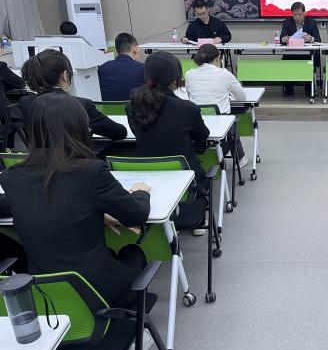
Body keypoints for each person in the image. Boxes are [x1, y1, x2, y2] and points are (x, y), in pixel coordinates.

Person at [0, 92, 152, 307]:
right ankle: (131, 319)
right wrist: (141, 192)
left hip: (46, 291)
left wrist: (94, 213)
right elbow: (136, 215)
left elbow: (41, 203)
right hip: (96, 288)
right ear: (79, 127)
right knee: (133, 252)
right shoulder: (92, 171)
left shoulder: (11, 177)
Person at [128, 51, 210, 186]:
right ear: (175, 78)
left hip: (147, 178)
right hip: (186, 181)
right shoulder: (188, 108)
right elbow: (202, 137)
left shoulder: (132, 105)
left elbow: (137, 132)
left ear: (147, 75)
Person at [20, 49, 127, 141]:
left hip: (39, 158)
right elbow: (119, 132)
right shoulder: (81, 104)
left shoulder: (25, 103)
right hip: (76, 158)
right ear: (65, 75)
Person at [185, 43, 248, 168]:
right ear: (217, 59)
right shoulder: (224, 74)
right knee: (232, 122)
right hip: (222, 133)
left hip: (196, 130)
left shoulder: (189, 74)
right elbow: (242, 97)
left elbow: (190, 95)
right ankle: (239, 159)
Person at [280, 2, 321, 97]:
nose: (297, 17)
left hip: (307, 54)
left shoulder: (311, 22)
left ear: (304, 13)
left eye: (299, 14)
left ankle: (309, 90)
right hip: (291, 54)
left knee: (310, 63)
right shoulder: (287, 22)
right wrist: (284, 39)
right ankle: (289, 90)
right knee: (285, 62)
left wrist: (310, 39)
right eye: (294, 15)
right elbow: (282, 38)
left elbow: (318, 39)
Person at [98, 32, 145, 101]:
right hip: (134, 107)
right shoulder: (143, 68)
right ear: (135, 49)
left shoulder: (102, 68)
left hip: (109, 108)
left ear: (117, 50)